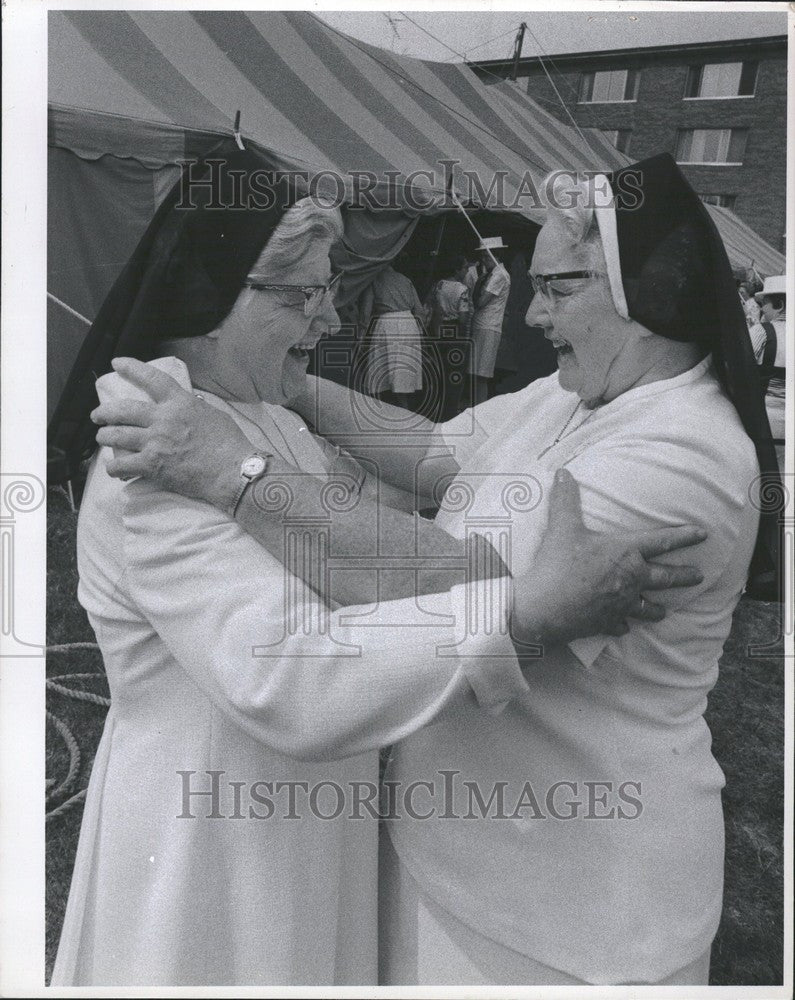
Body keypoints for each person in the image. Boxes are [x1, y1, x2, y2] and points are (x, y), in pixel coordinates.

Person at [93, 153, 780, 986]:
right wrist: (290, 388)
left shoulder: (680, 456)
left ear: (646, 298)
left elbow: (460, 582)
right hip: (410, 845)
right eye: (304, 295)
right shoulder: (575, 396)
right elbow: (431, 451)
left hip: (571, 890)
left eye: (559, 289)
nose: (531, 315)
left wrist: (235, 470)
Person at [358, 263, 427, 409]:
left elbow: (365, 313)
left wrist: (360, 337)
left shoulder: (374, 279)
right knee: (402, 370)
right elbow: (420, 311)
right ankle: (404, 408)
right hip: (409, 323)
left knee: (382, 369)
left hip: (387, 325)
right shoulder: (405, 279)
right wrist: (418, 332)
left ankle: (380, 409)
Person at [424, 253, 473, 420]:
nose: (467, 270)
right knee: (454, 374)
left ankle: (433, 409)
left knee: (439, 371)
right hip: (454, 330)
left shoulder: (439, 285)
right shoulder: (462, 289)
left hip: (439, 329)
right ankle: (449, 413)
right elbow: (463, 318)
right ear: (457, 269)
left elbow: (430, 305)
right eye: (465, 267)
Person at [468, 236, 511, 405]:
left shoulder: (500, 275)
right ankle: (474, 405)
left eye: (486, 257)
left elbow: (481, 301)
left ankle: (479, 407)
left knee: (482, 373)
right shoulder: (490, 274)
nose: (484, 261)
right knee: (475, 371)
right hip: (482, 325)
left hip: (489, 325)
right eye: (483, 257)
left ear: (495, 255)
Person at [749, 274, 786, 448]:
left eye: (764, 303)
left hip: (763, 423)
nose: (762, 309)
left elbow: (738, 369)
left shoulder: (762, 332)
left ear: (779, 305)